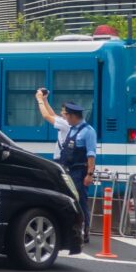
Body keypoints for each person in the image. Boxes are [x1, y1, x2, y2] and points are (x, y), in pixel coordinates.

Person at [57, 102, 97, 243]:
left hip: (80, 172)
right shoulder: (72, 130)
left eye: (67, 115)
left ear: (73, 116)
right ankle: (71, 230)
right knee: (69, 201)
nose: (65, 118)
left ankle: (84, 231)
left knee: (81, 202)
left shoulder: (88, 131)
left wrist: (89, 174)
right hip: (68, 171)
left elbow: (91, 154)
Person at [35, 88, 70, 161]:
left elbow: (46, 116)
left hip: (62, 159)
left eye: (63, 111)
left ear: (69, 114)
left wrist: (40, 100)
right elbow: (52, 115)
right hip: (62, 157)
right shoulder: (67, 122)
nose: (61, 113)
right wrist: (45, 100)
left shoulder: (66, 124)